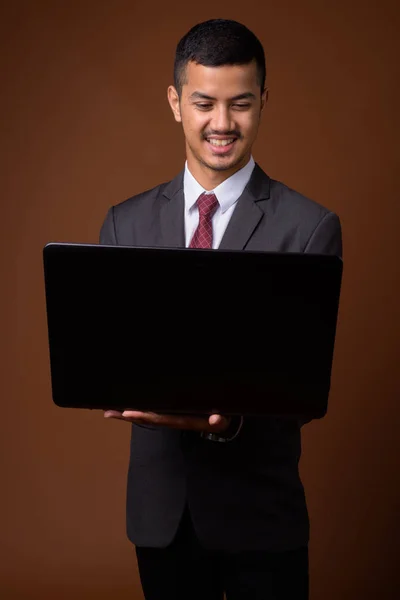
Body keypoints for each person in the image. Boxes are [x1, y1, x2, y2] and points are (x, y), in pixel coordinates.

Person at [100, 18, 342, 600]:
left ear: (263, 100)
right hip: (162, 517)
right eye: (204, 103)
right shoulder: (123, 223)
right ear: (176, 102)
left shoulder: (309, 228)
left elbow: (303, 392)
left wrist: (232, 421)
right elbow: (109, 354)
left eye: (241, 104)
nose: (222, 124)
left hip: (261, 518)